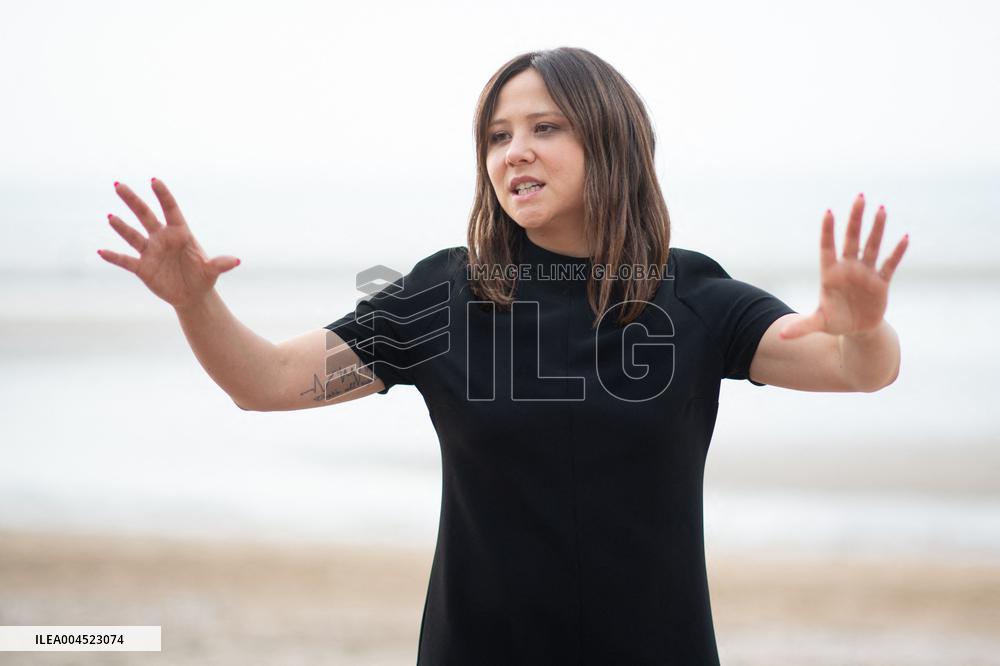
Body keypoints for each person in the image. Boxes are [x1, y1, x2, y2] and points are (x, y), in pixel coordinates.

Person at [98, 47, 908, 666]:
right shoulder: (444, 299)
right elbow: (265, 381)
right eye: (497, 135)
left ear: (611, 141)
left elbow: (858, 369)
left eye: (544, 128)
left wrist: (864, 323)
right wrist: (194, 301)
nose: (514, 151)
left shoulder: (687, 296)